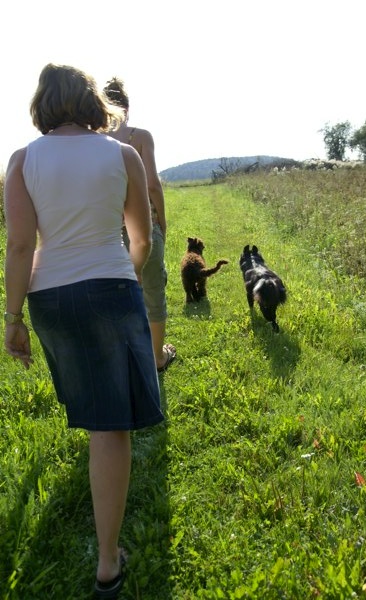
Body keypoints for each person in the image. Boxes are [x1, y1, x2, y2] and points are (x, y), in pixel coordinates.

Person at [3, 63, 164, 599]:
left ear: (43, 104)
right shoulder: (122, 154)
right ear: (92, 101)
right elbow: (141, 237)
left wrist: (13, 319)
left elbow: (20, 246)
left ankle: (107, 554)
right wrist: (126, 277)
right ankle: (108, 562)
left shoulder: (22, 160)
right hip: (111, 285)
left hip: (51, 297)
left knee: (95, 413)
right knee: (111, 428)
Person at [103, 77, 176, 373]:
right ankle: (157, 358)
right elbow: (153, 185)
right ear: (127, 108)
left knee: (118, 295)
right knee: (153, 293)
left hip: (109, 232)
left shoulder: (94, 143)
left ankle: (124, 356)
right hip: (144, 227)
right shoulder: (141, 137)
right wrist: (162, 221)